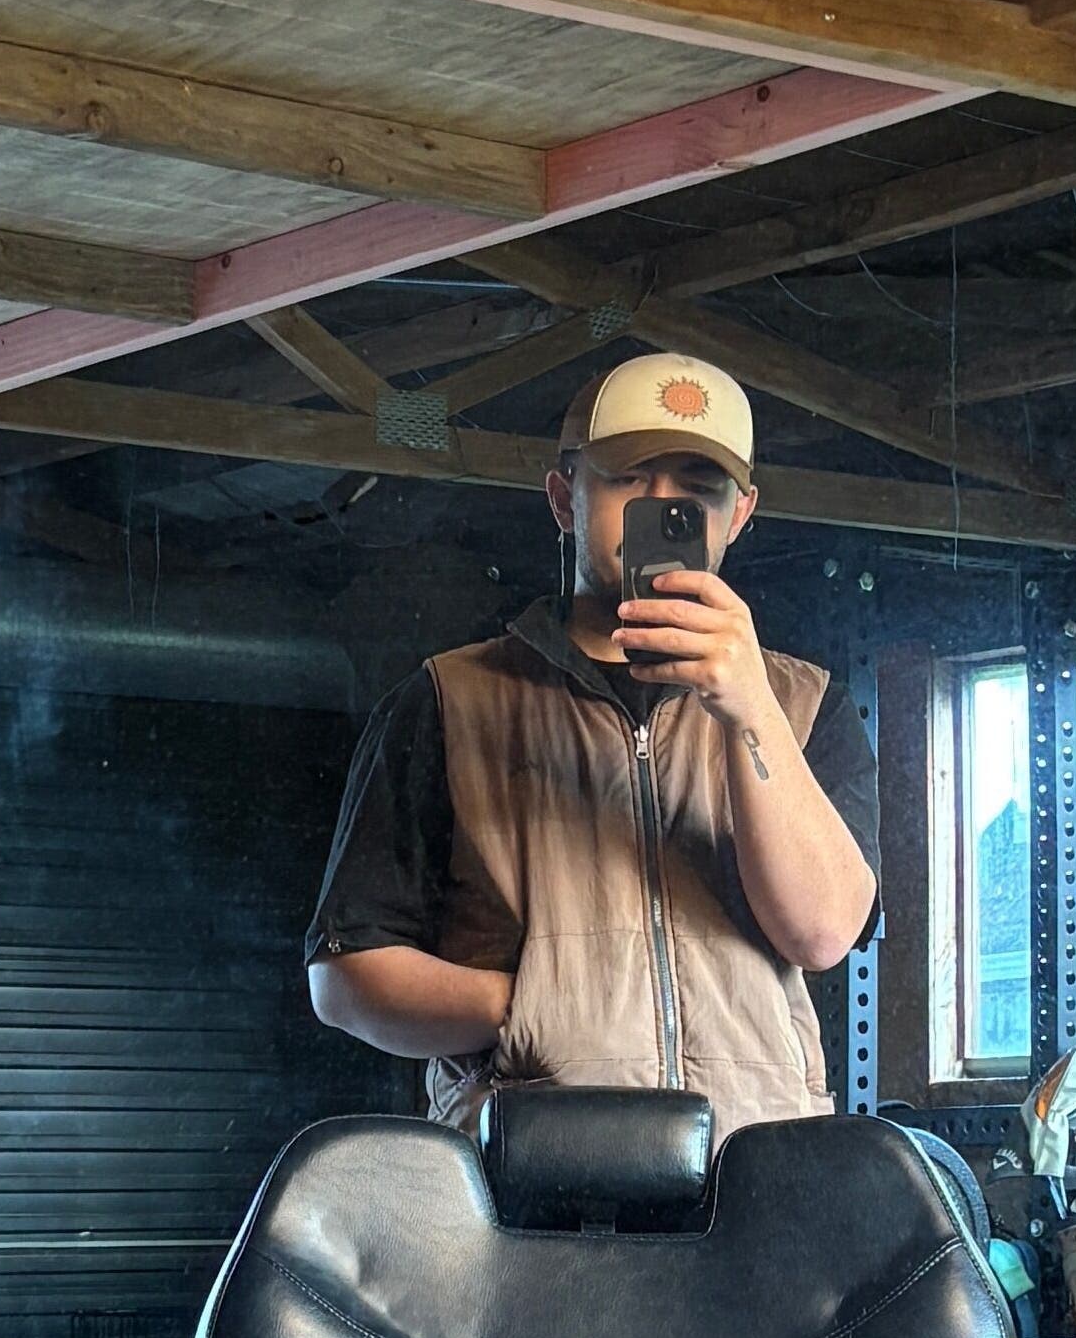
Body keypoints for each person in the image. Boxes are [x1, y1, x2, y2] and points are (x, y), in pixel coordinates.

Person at [302, 352, 882, 1137]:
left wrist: (750, 711)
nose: (663, 505)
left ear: (741, 514)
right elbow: (345, 977)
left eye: (699, 488)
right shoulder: (448, 701)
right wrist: (534, 1004)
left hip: (751, 1170)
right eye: (628, 478)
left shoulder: (805, 707)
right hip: (533, 1175)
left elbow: (821, 934)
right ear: (563, 497)